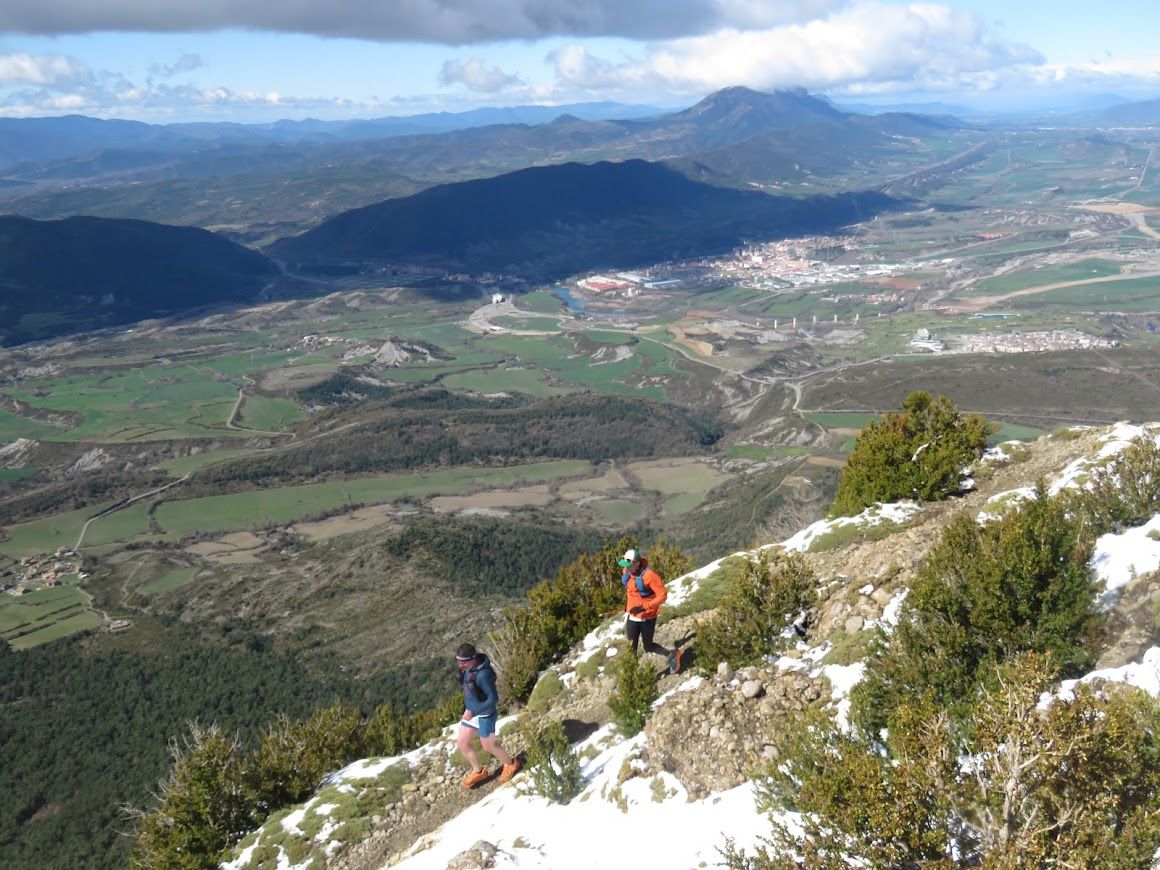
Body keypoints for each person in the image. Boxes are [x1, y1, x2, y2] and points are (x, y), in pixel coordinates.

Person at [454, 642, 521, 789]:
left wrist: (473, 711)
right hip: (471, 713)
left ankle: (511, 764)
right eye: (458, 661)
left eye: (462, 662)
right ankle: (479, 772)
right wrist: (468, 709)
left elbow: (493, 699)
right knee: (463, 743)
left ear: (472, 659)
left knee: (489, 746)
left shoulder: (483, 674)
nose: (460, 666)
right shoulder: (468, 669)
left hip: (484, 714)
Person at [618, 548, 669, 656]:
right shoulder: (626, 570)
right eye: (624, 565)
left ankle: (670, 654)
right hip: (632, 615)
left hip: (648, 616)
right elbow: (631, 591)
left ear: (637, 563)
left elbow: (663, 595)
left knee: (648, 647)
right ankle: (632, 672)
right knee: (631, 648)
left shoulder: (649, 576)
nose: (626, 567)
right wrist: (628, 605)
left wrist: (644, 607)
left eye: (628, 565)